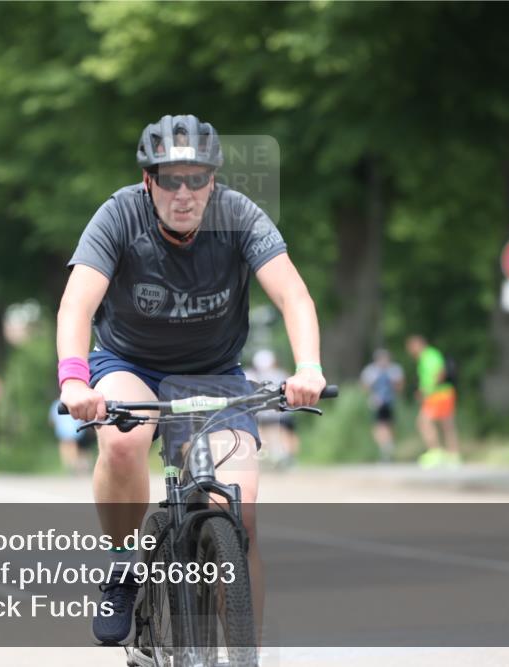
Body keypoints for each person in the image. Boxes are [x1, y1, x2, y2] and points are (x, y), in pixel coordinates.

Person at [57, 114, 326, 647]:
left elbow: (294, 295)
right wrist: (73, 381)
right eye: (170, 178)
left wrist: (309, 368)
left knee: (239, 514)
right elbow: (76, 305)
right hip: (129, 365)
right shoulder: (118, 216)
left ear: (213, 180)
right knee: (122, 443)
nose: (185, 193)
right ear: (148, 181)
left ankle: (245, 645)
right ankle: (122, 567)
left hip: (215, 373)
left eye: (196, 178)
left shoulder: (239, 215)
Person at [405, 335, 459, 467]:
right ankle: (453, 455)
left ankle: (435, 452)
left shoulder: (429, 355)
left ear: (418, 344)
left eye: (411, 347)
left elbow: (440, 373)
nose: (410, 351)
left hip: (438, 394)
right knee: (447, 424)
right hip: (443, 393)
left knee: (424, 422)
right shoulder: (428, 356)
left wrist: (426, 390)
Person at [244, 349, 300, 469]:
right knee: (282, 434)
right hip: (278, 412)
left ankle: (275, 459)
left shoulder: (250, 375)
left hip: (263, 413)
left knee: (264, 435)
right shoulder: (281, 374)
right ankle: (285, 459)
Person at [359, 348, 404, 462]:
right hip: (377, 402)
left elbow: (399, 386)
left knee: (386, 425)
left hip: (388, 402)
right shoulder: (372, 371)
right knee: (380, 426)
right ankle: (386, 447)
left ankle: (387, 447)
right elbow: (364, 387)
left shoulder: (393, 370)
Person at [49, 399, 91, 474]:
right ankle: (74, 465)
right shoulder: (75, 401)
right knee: (74, 448)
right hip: (75, 430)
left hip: (63, 430)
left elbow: (52, 419)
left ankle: (70, 465)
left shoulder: (56, 404)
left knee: (65, 448)